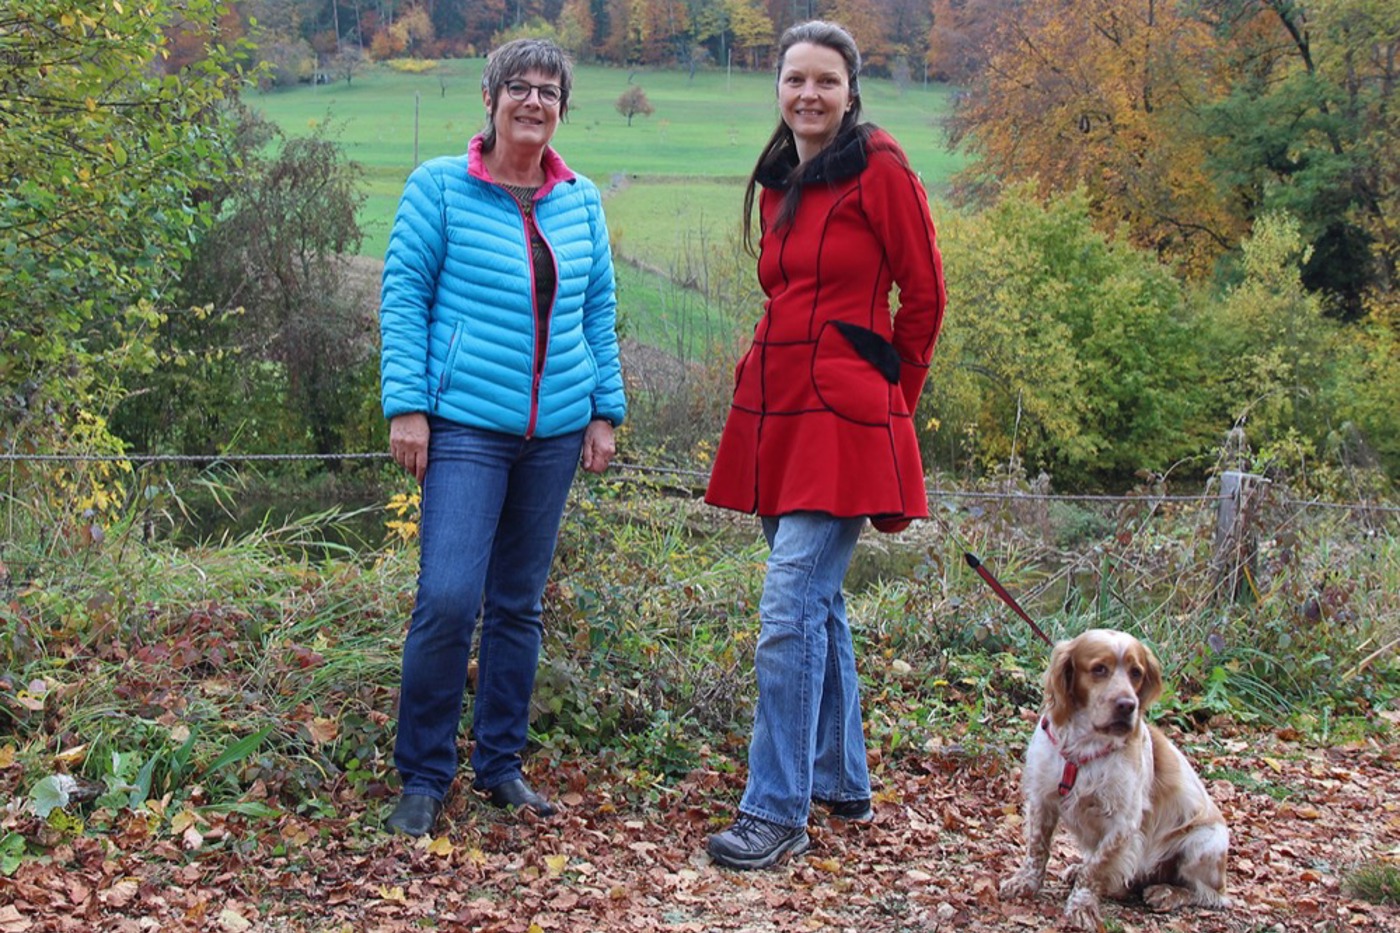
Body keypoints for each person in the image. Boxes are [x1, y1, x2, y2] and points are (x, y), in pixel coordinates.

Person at [703, 20, 947, 869]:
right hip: (777, 408)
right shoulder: (781, 181)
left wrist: (891, 404)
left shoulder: (881, 167)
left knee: (788, 607)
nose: (809, 94)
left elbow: (925, 296)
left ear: (851, 92)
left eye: (826, 81)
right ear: (778, 87)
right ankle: (841, 780)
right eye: (795, 79)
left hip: (846, 417)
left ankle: (776, 810)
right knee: (818, 601)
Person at [378, 38, 625, 837]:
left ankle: (499, 765)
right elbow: (404, 296)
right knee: (449, 597)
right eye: (518, 86)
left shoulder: (581, 200)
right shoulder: (439, 187)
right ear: (490, 98)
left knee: (517, 604)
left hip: (554, 431)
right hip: (465, 426)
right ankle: (424, 775)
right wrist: (406, 406)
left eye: (549, 91)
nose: (533, 101)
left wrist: (604, 410)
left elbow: (597, 312)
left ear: (562, 109)